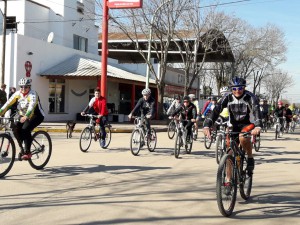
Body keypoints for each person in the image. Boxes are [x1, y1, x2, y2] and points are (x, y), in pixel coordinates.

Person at [203, 76, 262, 180]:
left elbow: (257, 111)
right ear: (231, 89)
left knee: (242, 137)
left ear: (244, 88)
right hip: (234, 125)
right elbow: (216, 110)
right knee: (229, 154)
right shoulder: (227, 97)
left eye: (240, 88)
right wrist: (207, 124)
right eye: (234, 89)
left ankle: (250, 157)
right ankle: (228, 181)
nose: (237, 91)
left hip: (248, 124)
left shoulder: (250, 97)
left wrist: (258, 126)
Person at [0, 78, 45, 160]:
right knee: (15, 129)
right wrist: (0, 112)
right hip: (22, 115)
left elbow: (31, 106)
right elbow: (7, 103)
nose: (23, 89)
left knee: (25, 129)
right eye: (21, 87)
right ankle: (22, 148)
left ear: (29, 87)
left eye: (26, 87)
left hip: (36, 115)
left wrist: (26, 116)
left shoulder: (33, 94)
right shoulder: (17, 94)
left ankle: (28, 152)